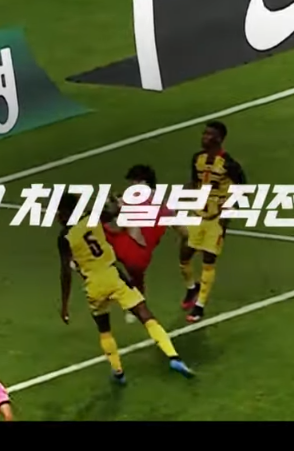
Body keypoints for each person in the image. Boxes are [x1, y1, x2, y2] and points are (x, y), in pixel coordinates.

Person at [58, 193, 195, 383]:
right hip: (114, 276)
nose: (57, 216)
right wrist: (116, 203)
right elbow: (113, 212)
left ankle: (118, 372)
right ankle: (174, 357)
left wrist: (65, 305)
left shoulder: (64, 238)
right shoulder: (92, 217)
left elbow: (65, 273)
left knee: (104, 329)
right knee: (145, 315)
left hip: (93, 285)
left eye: (59, 212)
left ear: (66, 212)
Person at [104, 164, 188, 323]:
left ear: (142, 182)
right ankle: (134, 305)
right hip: (141, 255)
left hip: (128, 248)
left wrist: (114, 203)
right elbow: (182, 230)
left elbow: (116, 217)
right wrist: (185, 240)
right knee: (136, 278)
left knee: (93, 230)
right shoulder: (165, 206)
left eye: (133, 182)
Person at [180, 120, 246, 323]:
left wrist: (228, 212)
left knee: (208, 260)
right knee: (184, 256)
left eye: (209, 134)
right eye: (204, 133)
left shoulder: (229, 164)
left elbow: (243, 189)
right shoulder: (197, 158)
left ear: (219, 139)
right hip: (198, 214)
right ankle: (192, 288)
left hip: (217, 218)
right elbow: (195, 182)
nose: (204, 137)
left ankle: (199, 306)